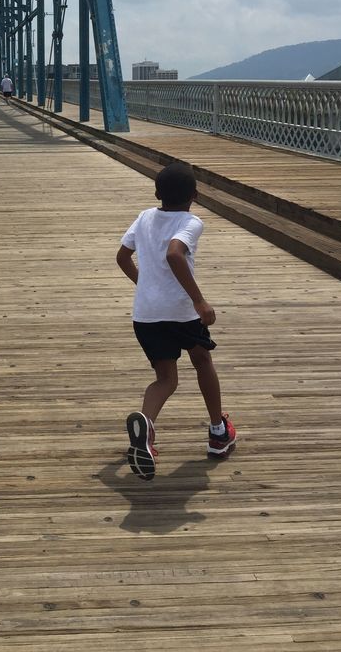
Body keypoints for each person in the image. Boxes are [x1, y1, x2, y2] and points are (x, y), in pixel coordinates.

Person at [116, 161, 236, 480]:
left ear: (157, 193)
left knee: (165, 380)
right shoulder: (190, 221)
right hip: (181, 313)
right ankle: (218, 432)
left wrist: (145, 285)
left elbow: (122, 257)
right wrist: (199, 300)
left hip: (146, 315)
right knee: (202, 360)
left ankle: (146, 429)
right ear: (195, 195)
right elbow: (174, 253)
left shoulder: (144, 216)